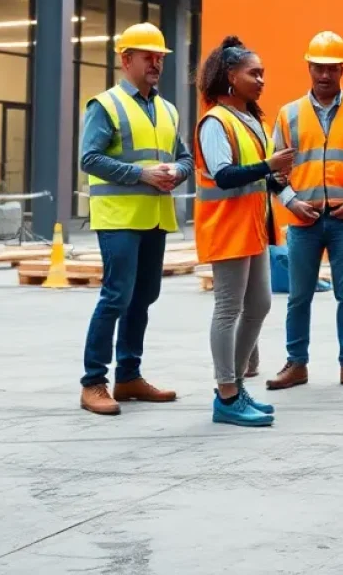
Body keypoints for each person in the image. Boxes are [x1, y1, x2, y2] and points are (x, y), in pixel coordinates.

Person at [79, 22, 193, 416]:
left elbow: (185, 157)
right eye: (149, 57)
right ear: (126, 60)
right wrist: (141, 174)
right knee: (116, 297)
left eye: (160, 57)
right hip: (119, 218)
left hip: (155, 217)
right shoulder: (105, 105)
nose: (156, 63)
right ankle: (93, 382)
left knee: (143, 297)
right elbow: (89, 158)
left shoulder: (168, 109)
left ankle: (128, 376)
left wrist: (177, 172)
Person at [267, 31, 343, 393]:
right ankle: (296, 364)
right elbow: (273, 170)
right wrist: (292, 203)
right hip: (304, 220)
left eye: (332, 68)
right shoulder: (289, 114)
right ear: (309, 68)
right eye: (319, 67)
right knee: (298, 296)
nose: (325, 74)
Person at [196, 36, 293, 428]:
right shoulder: (215, 122)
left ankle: (235, 385)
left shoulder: (251, 121)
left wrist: (277, 181)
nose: (261, 80)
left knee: (260, 305)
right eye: (254, 73)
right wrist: (269, 166)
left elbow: (255, 177)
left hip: (253, 228)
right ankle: (227, 394)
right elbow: (223, 175)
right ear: (230, 76)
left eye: (263, 73)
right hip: (227, 229)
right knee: (228, 309)